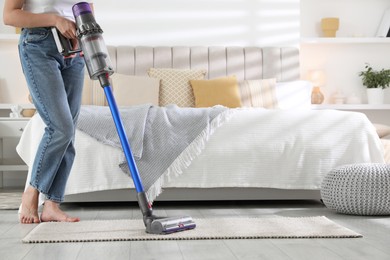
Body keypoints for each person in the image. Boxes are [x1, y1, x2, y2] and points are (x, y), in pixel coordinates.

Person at [3, 0, 90, 223]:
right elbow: (10, 16)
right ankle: (31, 194)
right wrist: (55, 19)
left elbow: (86, 11)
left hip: (74, 50)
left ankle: (52, 205)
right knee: (61, 127)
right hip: (38, 46)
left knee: (68, 132)